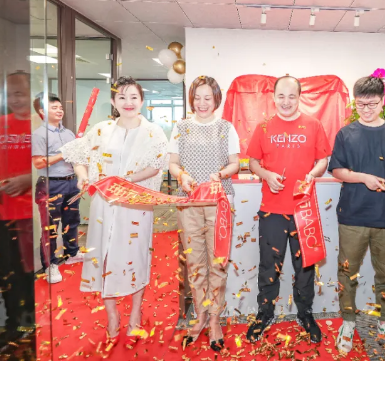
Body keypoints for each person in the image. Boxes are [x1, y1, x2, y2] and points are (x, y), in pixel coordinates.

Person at [60, 76, 169, 346]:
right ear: (113, 101)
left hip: (135, 204)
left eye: (133, 97)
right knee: (104, 257)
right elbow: (79, 157)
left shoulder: (153, 131)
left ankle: (135, 315)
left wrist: (126, 181)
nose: (128, 102)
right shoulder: (101, 130)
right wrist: (83, 177)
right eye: (122, 97)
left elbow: (156, 166)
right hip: (104, 205)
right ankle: (112, 315)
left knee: (136, 257)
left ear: (141, 101)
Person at [329, 76, 385, 356]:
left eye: (372, 104)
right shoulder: (346, 133)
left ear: (383, 102)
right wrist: (363, 178)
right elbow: (337, 170)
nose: (366, 109)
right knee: (347, 273)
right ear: (354, 102)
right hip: (353, 214)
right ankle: (347, 321)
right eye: (361, 104)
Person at [245, 76, 331, 344]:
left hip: (303, 210)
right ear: (273, 97)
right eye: (281, 96)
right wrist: (266, 174)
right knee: (268, 266)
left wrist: (312, 174)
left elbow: (323, 160)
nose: (286, 101)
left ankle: (305, 313)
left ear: (299, 97)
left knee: (305, 266)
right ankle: (265, 313)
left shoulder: (313, 125)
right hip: (271, 209)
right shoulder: (263, 127)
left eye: (291, 96)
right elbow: (252, 162)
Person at [168, 75, 240, 351]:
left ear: (216, 99)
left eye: (207, 98)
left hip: (219, 202)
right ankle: (199, 316)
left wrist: (219, 175)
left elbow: (234, 164)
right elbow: (173, 163)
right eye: (197, 98)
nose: (201, 103)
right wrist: (182, 176)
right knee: (195, 264)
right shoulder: (181, 127)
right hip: (189, 202)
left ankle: (214, 320)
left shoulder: (226, 127)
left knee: (218, 263)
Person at [0, 71, 35, 353]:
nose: (15, 99)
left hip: (33, 215)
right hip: (3, 213)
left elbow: (57, 167)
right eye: (10, 94)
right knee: (8, 273)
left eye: (20, 93)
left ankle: (33, 323)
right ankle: (14, 324)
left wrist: (28, 179)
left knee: (30, 272)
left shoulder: (41, 125)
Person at [31, 94, 81, 285]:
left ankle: (72, 253)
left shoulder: (68, 133)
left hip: (71, 182)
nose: (60, 110)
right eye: (54, 108)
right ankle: (50, 264)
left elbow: (75, 157)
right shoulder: (39, 134)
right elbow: (38, 163)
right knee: (50, 227)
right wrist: (63, 154)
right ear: (42, 112)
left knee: (72, 221)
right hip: (50, 184)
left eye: (60, 107)